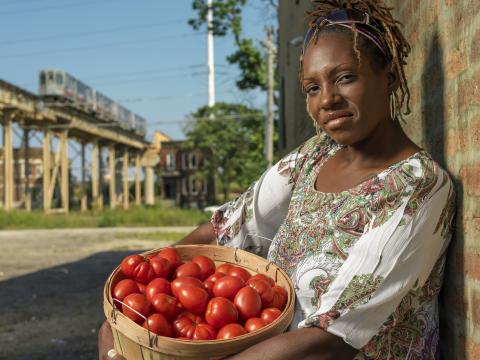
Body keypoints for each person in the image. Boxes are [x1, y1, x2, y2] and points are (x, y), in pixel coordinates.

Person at [99, 0, 455, 359]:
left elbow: (332, 339)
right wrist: (134, 302)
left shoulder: (417, 186)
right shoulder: (315, 156)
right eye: (312, 88)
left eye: (345, 77)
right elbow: (227, 229)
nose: (327, 100)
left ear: (389, 75)